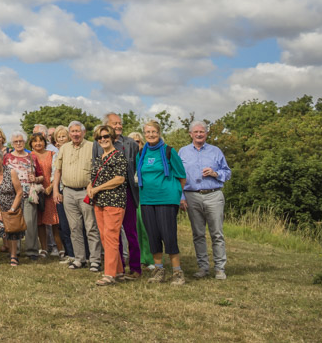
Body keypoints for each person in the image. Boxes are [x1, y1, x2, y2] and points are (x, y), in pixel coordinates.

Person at [93, 112, 143, 278]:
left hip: (126, 192)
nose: (118, 126)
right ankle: (117, 267)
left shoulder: (130, 144)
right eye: (115, 123)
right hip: (103, 195)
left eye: (120, 123)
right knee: (111, 233)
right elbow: (95, 167)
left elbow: (136, 169)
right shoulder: (99, 143)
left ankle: (135, 268)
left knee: (130, 231)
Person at [179, 121, 231, 280]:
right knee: (198, 234)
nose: (199, 134)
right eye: (196, 132)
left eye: (202, 132)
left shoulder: (216, 152)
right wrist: (181, 197)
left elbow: (227, 173)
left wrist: (215, 173)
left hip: (213, 194)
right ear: (190, 134)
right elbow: (178, 176)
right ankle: (203, 267)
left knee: (217, 233)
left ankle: (220, 268)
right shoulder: (183, 152)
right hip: (192, 195)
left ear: (206, 134)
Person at [138, 120, 187, 284]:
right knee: (152, 235)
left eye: (154, 132)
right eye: (148, 132)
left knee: (168, 235)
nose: (151, 135)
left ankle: (177, 272)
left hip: (166, 199)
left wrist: (176, 195)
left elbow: (182, 176)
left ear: (159, 133)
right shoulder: (141, 153)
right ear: (144, 134)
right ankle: (159, 270)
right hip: (146, 199)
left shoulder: (169, 151)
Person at [53, 121, 102, 271]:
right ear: (69, 133)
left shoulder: (92, 146)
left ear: (83, 132)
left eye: (77, 131)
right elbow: (58, 170)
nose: (75, 134)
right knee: (74, 227)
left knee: (91, 227)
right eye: (72, 131)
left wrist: (93, 185)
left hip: (86, 192)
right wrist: (56, 190)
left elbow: (99, 168)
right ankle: (79, 258)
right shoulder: (64, 148)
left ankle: (95, 260)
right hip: (68, 191)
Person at [87, 125, 127, 286]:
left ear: (111, 137)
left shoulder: (119, 156)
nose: (102, 140)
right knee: (104, 237)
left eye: (105, 136)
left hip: (114, 201)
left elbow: (120, 179)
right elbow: (93, 177)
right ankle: (118, 270)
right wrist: (90, 187)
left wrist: (98, 188)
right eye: (99, 138)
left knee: (111, 236)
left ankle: (109, 274)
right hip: (99, 201)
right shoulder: (99, 158)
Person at [4, 130, 45, 258]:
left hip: (28, 195)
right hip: (12, 195)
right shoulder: (7, 158)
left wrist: (36, 179)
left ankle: (32, 250)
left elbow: (41, 176)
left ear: (25, 142)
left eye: (20, 141)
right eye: (16, 141)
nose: (18, 143)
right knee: (14, 223)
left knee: (30, 222)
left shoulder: (32, 157)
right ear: (12, 143)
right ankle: (14, 251)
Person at [30, 133, 63, 259]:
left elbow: (57, 172)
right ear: (31, 144)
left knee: (55, 221)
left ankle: (60, 248)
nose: (38, 143)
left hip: (51, 190)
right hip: (37, 192)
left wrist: (51, 187)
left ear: (45, 142)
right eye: (35, 141)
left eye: (40, 141)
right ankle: (44, 248)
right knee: (40, 222)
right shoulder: (30, 156)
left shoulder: (52, 155)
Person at [51, 125, 75, 259]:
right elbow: (53, 174)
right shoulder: (55, 155)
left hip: (71, 189)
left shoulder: (73, 152)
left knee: (75, 224)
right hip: (59, 190)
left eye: (63, 136)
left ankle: (80, 253)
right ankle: (69, 252)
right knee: (63, 224)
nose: (61, 139)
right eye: (58, 137)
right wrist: (55, 190)